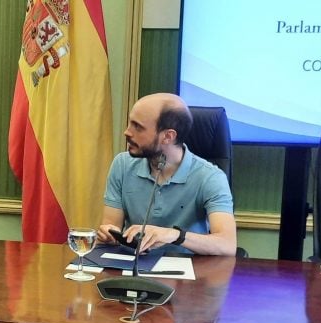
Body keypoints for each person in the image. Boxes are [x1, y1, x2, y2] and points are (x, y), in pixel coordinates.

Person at [97, 93, 237, 256]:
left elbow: (227, 245)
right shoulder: (122, 164)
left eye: (138, 127)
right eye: (130, 123)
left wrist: (173, 235)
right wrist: (110, 234)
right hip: (133, 266)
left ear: (168, 136)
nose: (127, 132)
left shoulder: (210, 177)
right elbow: (111, 227)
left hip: (187, 274)